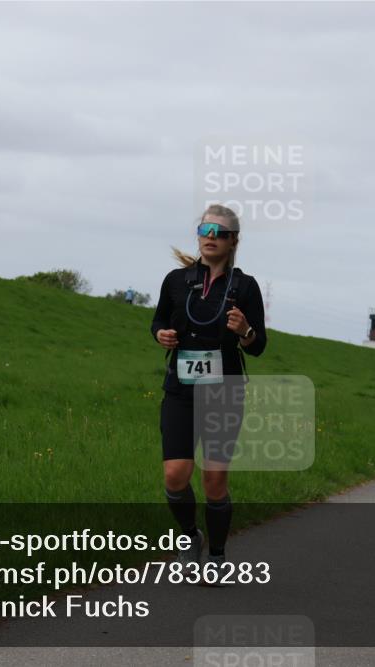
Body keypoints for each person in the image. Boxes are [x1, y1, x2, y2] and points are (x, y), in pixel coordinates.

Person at [150, 205, 267, 571]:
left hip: (224, 392)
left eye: (219, 232)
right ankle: (189, 535)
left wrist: (244, 330)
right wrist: (162, 335)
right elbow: (157, 321)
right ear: (198, 235)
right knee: (175, 474)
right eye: (205, 229)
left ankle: (216, 555)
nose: (210, 237)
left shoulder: (245, 287)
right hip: (181, 390)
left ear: (233, 240)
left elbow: (258, 345)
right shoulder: (175, 280)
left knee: (214, 480)